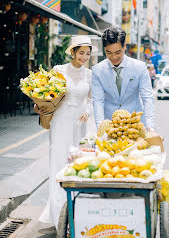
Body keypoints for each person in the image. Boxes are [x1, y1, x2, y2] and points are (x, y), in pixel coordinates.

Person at [37, 36, 96, 229]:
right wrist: (40, 105)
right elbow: (46, 94)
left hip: (79, 124)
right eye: (81, 53)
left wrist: (87, 111)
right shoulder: (59, 70)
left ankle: (75, 209)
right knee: (58, 161)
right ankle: (57, 212)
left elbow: (90, 98)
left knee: (76, 162)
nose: (84, 57)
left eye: (87, 54)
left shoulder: (89, 74)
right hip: (61, 121)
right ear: (73, 52)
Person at [92, 27, 155, 131]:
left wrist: (150, 127)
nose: (113, 57)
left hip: (136, 124)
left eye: (118, 52)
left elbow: (147, 98)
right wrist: (100, 127)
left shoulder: (139, 67)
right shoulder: (97, 70)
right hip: (111, 125)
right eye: (108, 52)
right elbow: (98, 101)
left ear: (124, 46)